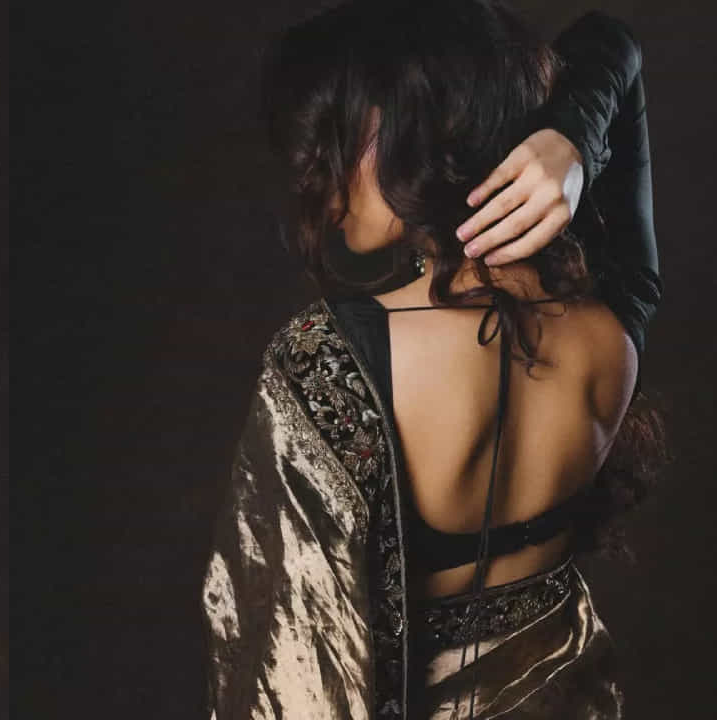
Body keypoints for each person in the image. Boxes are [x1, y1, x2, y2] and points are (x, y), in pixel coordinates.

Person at [202, 2, 665, 718]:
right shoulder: (611, 327)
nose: (317, 174)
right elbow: (614, 47)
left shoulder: (327, 361)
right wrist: (572, 140)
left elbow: (284, 678)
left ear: (436, 128)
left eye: (344, 136)